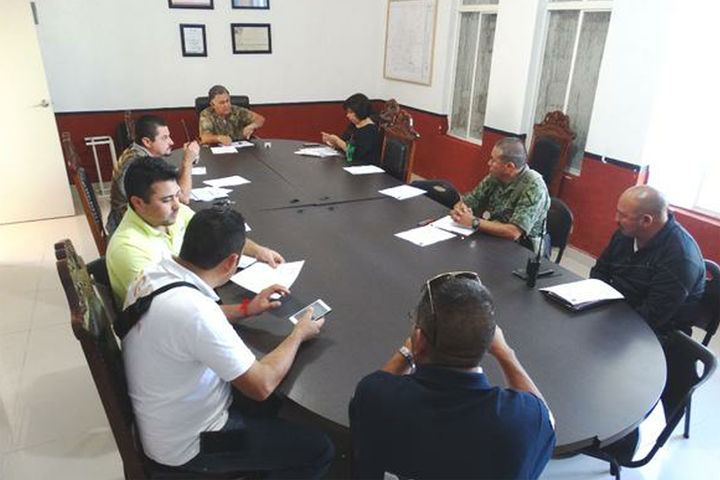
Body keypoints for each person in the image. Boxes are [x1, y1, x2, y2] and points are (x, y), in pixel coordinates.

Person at [121, 207, 334, 477]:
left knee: (276, 409)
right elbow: (262, 385)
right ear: (231, 261)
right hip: (196, 445)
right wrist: (298, 334)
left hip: (164, 422)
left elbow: (188, 322)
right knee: (319, 449)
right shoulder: (196, 312)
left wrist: (247, 308)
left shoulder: (155, 273)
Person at [350, 272, 556, 479]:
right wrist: (505, 354)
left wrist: (408, 351)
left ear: (419, 339)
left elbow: (375, 386)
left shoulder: (375, 397)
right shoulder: (522, 422)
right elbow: (547, 420)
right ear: (490, 341)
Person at [106, 157, 284, 308]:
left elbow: (217, 235)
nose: (177, 205)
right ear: (138, 203)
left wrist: (257, 250)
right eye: (166, 200)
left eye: (177, 195)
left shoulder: (173, 213)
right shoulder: (128, 249)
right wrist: (245, 308)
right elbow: (177, 311)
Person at [590, 185, 705, 334]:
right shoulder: (625, 234)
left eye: (623, 215)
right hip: (618, 313)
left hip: (656, 334)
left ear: (646, 220)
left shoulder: (681, 257)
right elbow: (600, 272)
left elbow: (653, 316)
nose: (616, 219)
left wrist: (606, 321)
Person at [450, 137, 550, 252]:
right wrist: (460, 210)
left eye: (493, 160)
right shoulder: (495, 177)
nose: (489, 163)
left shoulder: (534, 187)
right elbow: (470, 200)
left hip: (523, 248)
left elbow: (513, 232)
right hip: (493, 238)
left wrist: (473, 221)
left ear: (509, 167)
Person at [107, 115, 199, 234]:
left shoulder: (137, 153)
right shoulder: (140, 165)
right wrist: (187, 162)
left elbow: (173, 187)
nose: (171, 142)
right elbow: (183, 198)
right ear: (147, 142)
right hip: (130, 228)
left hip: (138, 218)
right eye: (164, 138)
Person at [321, 93, 382, 165]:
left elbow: (355, 153)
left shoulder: (370, 130)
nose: (347, 115)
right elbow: (344, 143)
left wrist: (338, 141)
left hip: (364, 166)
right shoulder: (353, 125)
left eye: (351, 112)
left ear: (360, 111)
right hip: (349, 163)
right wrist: (332, 141)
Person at [199, 85, 265, 145]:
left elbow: (260, 119)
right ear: (213, 104)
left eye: (227, 101)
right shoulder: (206, 114)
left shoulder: (237, 111)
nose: (226, 105)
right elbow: (205, 137)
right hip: (216, 149)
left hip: (240, 147)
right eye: (222, 103)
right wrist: (218, 138)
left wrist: (251, 127)